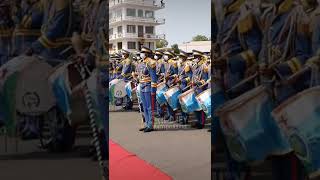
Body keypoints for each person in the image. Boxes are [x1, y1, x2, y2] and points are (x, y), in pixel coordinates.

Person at [138, 47, 157, 132]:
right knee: (144, 106)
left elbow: (153, 78)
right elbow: (140, 75)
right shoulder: (141, 63)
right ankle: (146, 124)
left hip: (148, 86)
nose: (141, 54)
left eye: (143, 52)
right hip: (142, 85)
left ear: (147, 54)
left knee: (150, 107)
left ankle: (150, 125)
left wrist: (153, 90)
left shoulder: (151, 62)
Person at [0, 0, 14, 66]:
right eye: (2, 7)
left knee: (7, 57)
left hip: (8, 40)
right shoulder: (1, 17)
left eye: (4, 7)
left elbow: (12, 27)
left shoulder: (10, 18)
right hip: (2, 41)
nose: (3, 9)